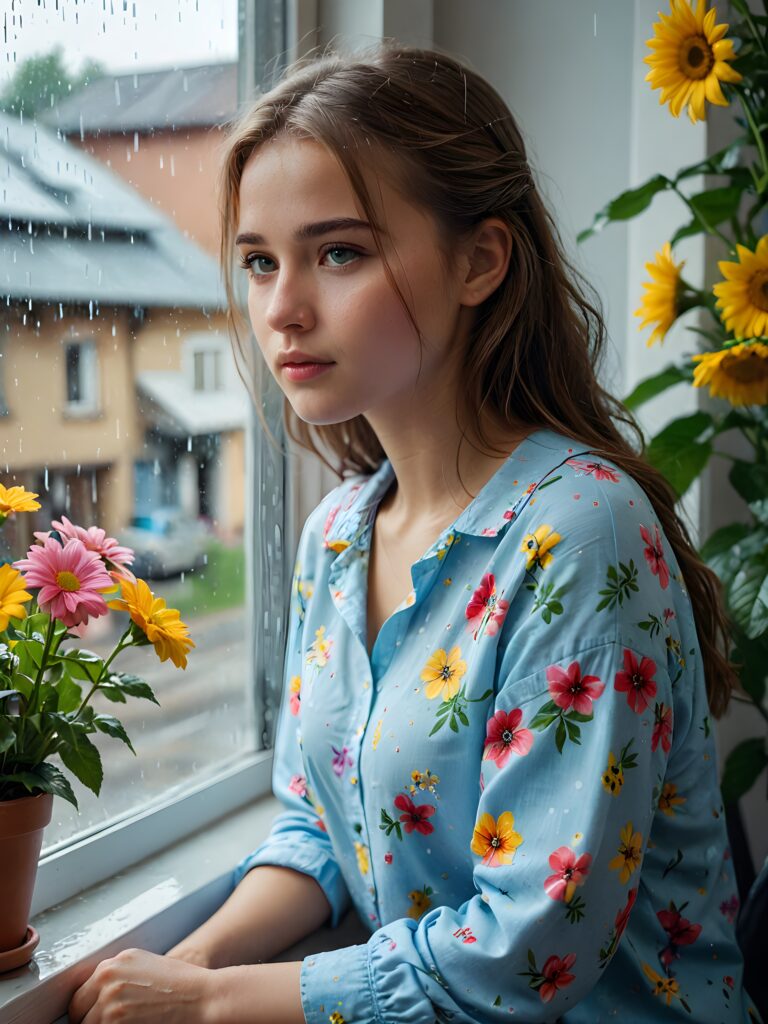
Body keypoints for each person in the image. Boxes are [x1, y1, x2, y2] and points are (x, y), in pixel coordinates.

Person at [68, 42, 762, 1024]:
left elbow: (530, 950)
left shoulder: (583, 533)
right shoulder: (337, 536)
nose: (282, 309)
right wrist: (186, 962)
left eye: (338, 253)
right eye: (259, 262)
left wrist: (213, 1002)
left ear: (480, 261)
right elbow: (321, 826)